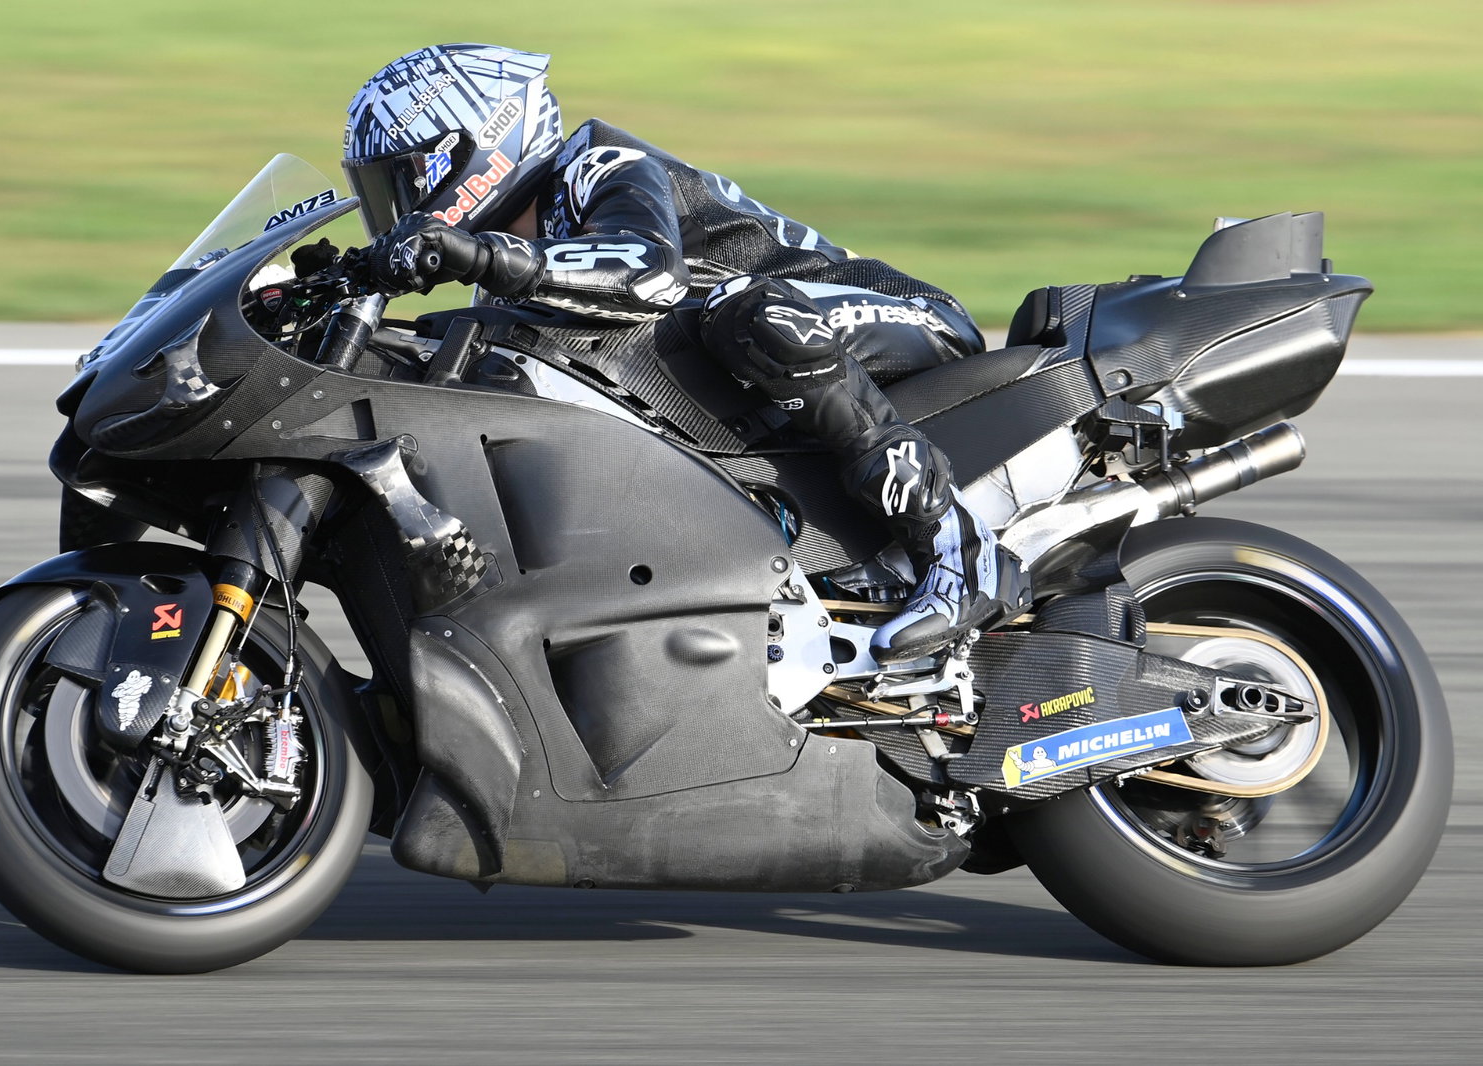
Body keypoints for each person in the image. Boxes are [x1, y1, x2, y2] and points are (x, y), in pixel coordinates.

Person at [340, 43, 1030, 665]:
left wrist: (478, 253)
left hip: (896, 318)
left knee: (749, 311)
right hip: (776, 367)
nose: (398, 212)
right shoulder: (514, 266)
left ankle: (956, 547)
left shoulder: (596, 162)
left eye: (403, 182)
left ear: (478, 148)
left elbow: (646, 273)